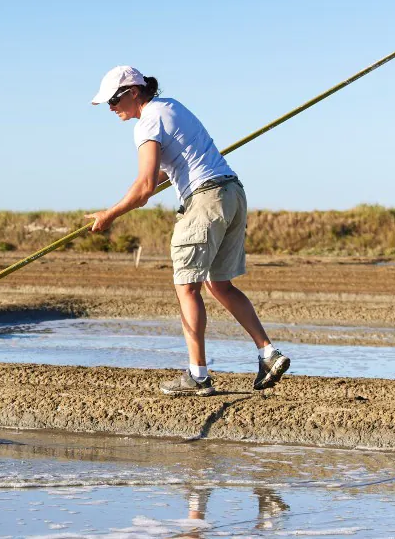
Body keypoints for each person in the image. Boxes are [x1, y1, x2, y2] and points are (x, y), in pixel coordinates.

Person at [86, 66, 290, 395]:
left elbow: (144, 187)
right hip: (231, 193)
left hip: (205, 201)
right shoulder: (172, 106)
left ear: (133, 92)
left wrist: (109, 215)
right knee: (219, 284)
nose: (111, 108)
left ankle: (198, 375)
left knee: (187, 288)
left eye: (113, 100)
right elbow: (172, 170)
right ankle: (268, 353)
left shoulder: (148, 121)